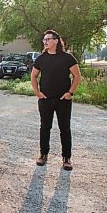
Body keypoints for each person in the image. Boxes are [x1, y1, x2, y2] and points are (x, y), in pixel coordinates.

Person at [31, 30, 81, 171]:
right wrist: (37, 92)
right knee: (45, 127)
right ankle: (43, 155)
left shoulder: (67, 58)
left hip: (63, 100)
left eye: (48, 39)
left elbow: (77, 76)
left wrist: (70, 93)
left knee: (65, 129)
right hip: (45, 99)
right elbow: (33, 76)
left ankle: (66, 158)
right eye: (44, 40)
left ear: (56, 40)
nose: (45, 42)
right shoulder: (41, 58)